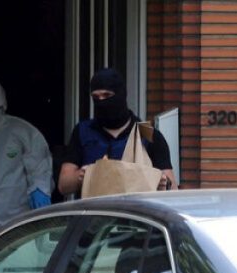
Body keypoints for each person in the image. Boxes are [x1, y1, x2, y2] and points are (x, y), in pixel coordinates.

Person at [58, 68, 175, 198]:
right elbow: (63, 185)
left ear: (120, 95)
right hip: (93, 214)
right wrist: (80, 176)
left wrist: (163, 184)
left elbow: (172, 188)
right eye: (96, 97)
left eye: (107, 96)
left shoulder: (146, 132)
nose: (101, 102)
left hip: (134, 213)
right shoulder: (83, 131)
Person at [0, 78, 53, 242]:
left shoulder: (22, 132)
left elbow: (41, 167)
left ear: (3, 105)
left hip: (16, 227)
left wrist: (40, 189)